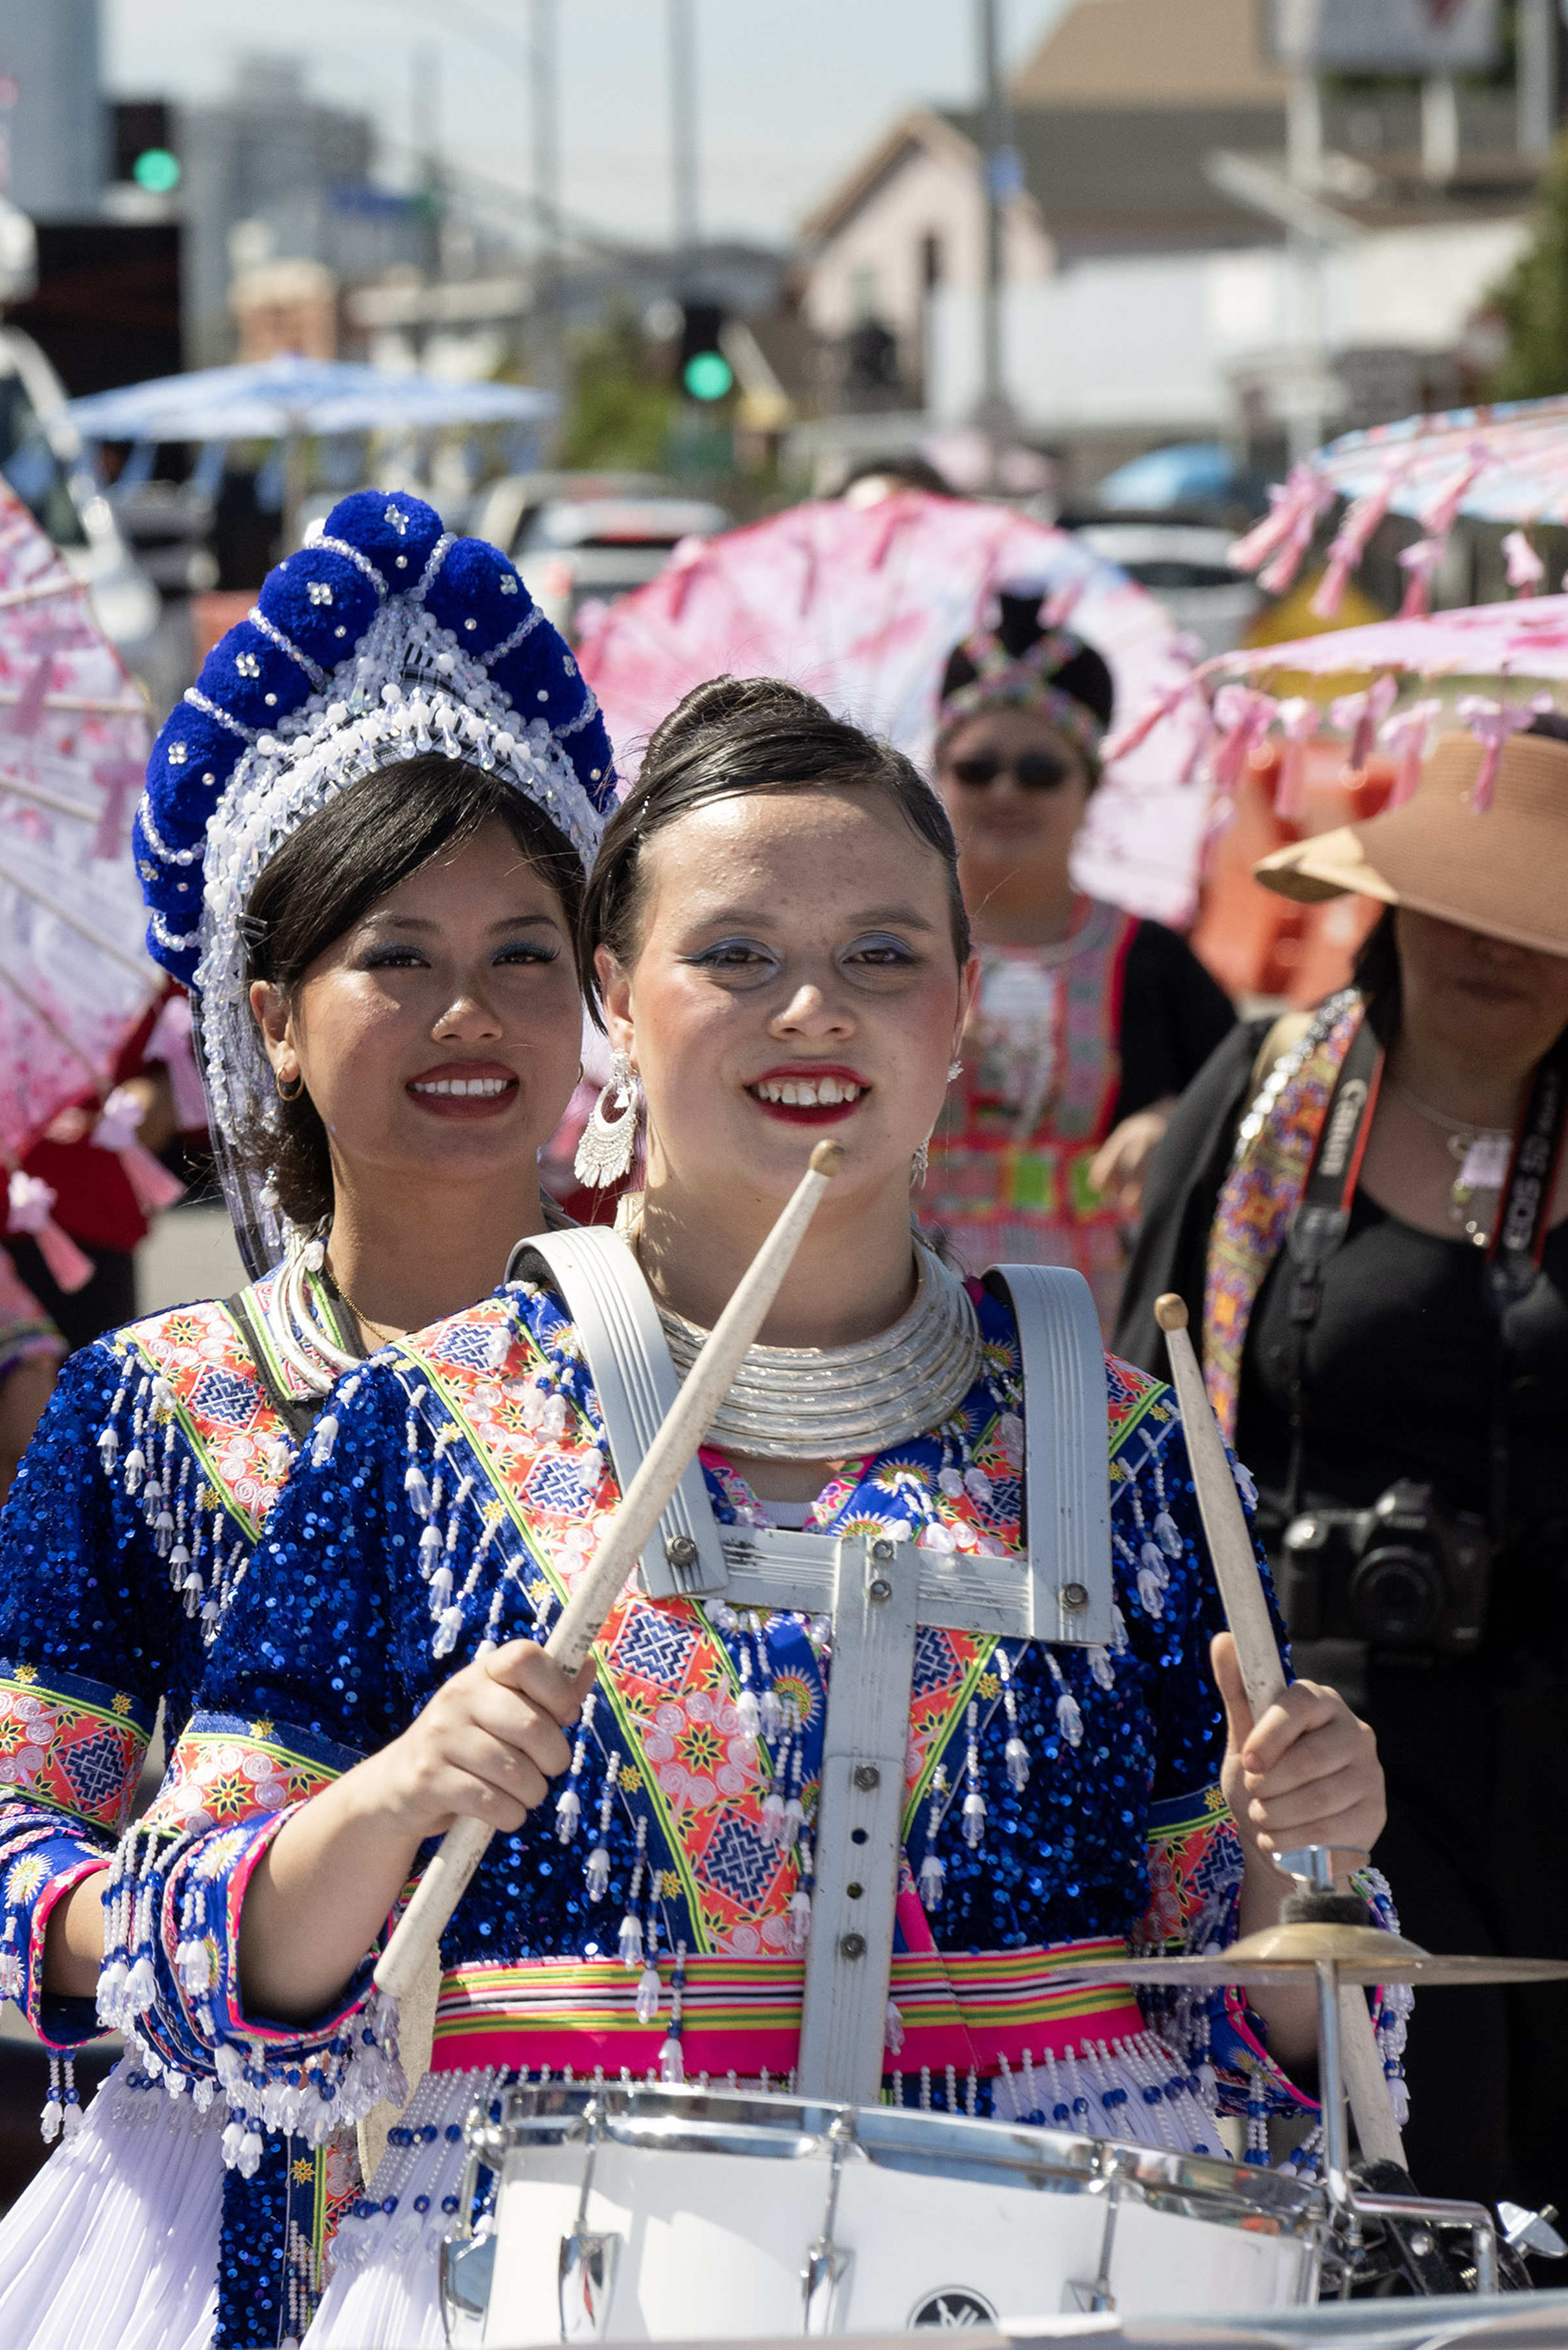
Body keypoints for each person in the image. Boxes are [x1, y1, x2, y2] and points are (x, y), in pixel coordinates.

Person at [116, 678, 1398, 2345]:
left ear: (957, 1008)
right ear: (611, 999)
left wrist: (1304, 1851)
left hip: (1034, 2289)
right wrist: (390, 1802)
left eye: (882, 956)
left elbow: (1266, 2040)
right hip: (550, 2283)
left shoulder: (1121, 1442)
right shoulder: (422, 1425)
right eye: (732, 954)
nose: (814, 1010)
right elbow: (191, 1965)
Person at [0, 489, 620, 2350]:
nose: (471, 1010)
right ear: (272, 1016)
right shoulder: (158, 1401)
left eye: (529, 951)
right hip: (258, 2209)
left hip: (641, 2194)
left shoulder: (674, 1373)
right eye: (398, 955)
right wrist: (212, 1924)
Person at [1123, 719, 1568, 2216]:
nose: (1498, 945)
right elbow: (1145, 1420)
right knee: (1380, 2207)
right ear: (1390, 900)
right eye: (1466, 899)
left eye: (1543, 912)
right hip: (1318, 1756)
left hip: (1556, 1756)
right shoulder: (1263, 1097)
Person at [920, 589, 1234, 1323]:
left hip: (1096, 1304)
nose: (1006, 791)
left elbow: (1239, 1118)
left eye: (1039, 772)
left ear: (1090, 787)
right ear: (937, 780)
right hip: (903, 1290)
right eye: (977, 768)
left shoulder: (1151, 958)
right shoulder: (884, 947)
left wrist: (1172, 1125)